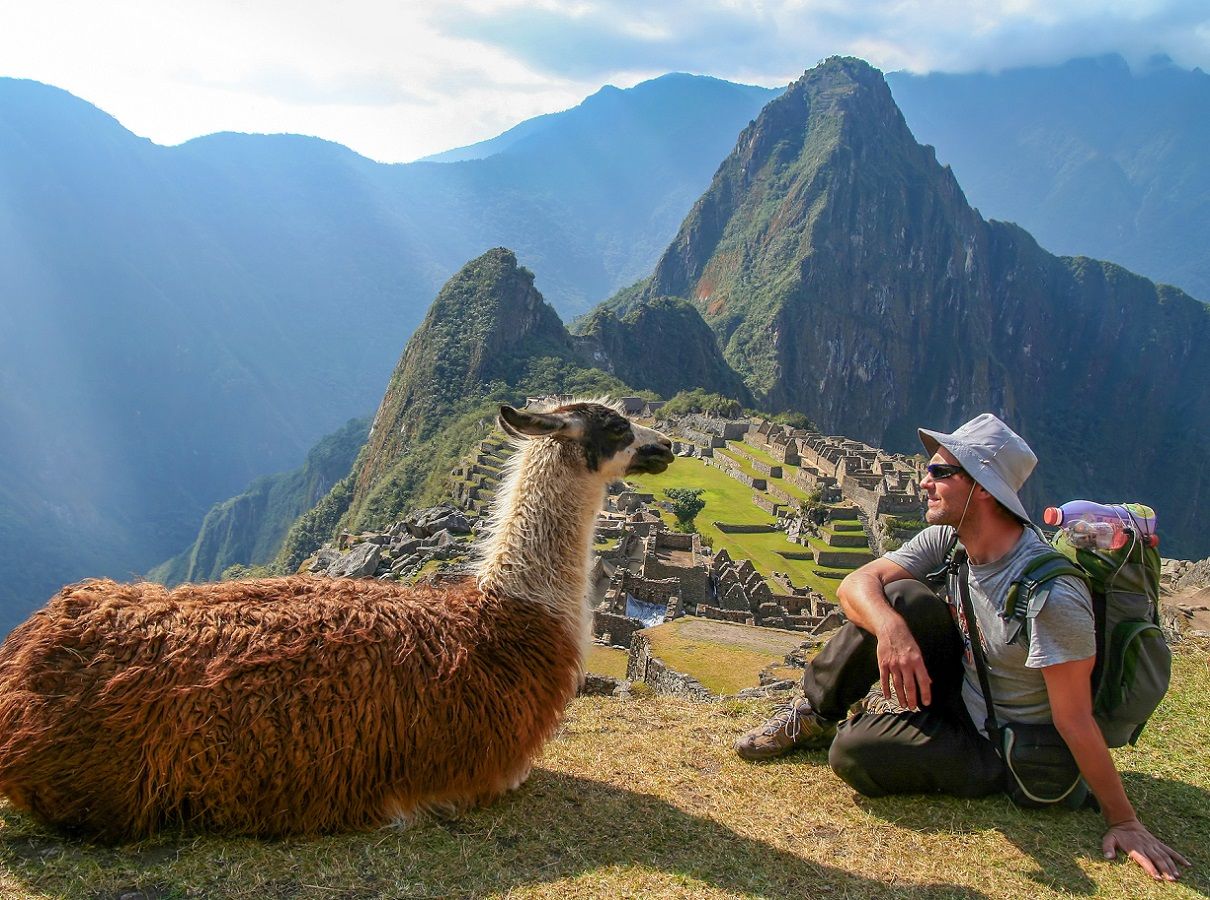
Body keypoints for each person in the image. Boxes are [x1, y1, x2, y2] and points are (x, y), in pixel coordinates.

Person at [734, 413, 1190, 882]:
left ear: (985, 488)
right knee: (897, 599)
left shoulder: (1050, 596)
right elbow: (857, 583)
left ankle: (867, 730)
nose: (924, 482)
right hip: (963, 688)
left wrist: (1123, 820)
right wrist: (892, 631)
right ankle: (811, 714)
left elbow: (1073, 718)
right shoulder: (950, 539)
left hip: (1000, 743)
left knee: (853, 753)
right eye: (928, 469)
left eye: (940, 472)